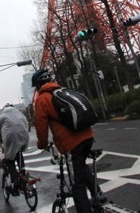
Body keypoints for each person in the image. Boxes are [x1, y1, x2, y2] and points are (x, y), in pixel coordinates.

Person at [32, 69, 106, 212]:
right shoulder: (63, 90)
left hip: (72, 143)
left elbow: (41, 126)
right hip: (88, 135)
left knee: (77, 184)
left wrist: (42, 144)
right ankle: (97, 194)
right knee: (81, 166)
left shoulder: (42, 99)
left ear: (38, 85)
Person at [0, 104, 30, 193]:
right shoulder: (19, 114)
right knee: (19, 154)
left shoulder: (3, 116)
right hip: (24, 137)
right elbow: (26, 123)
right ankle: (22, 174)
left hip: (10, 139)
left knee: (9, 160)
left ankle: (15, 181)